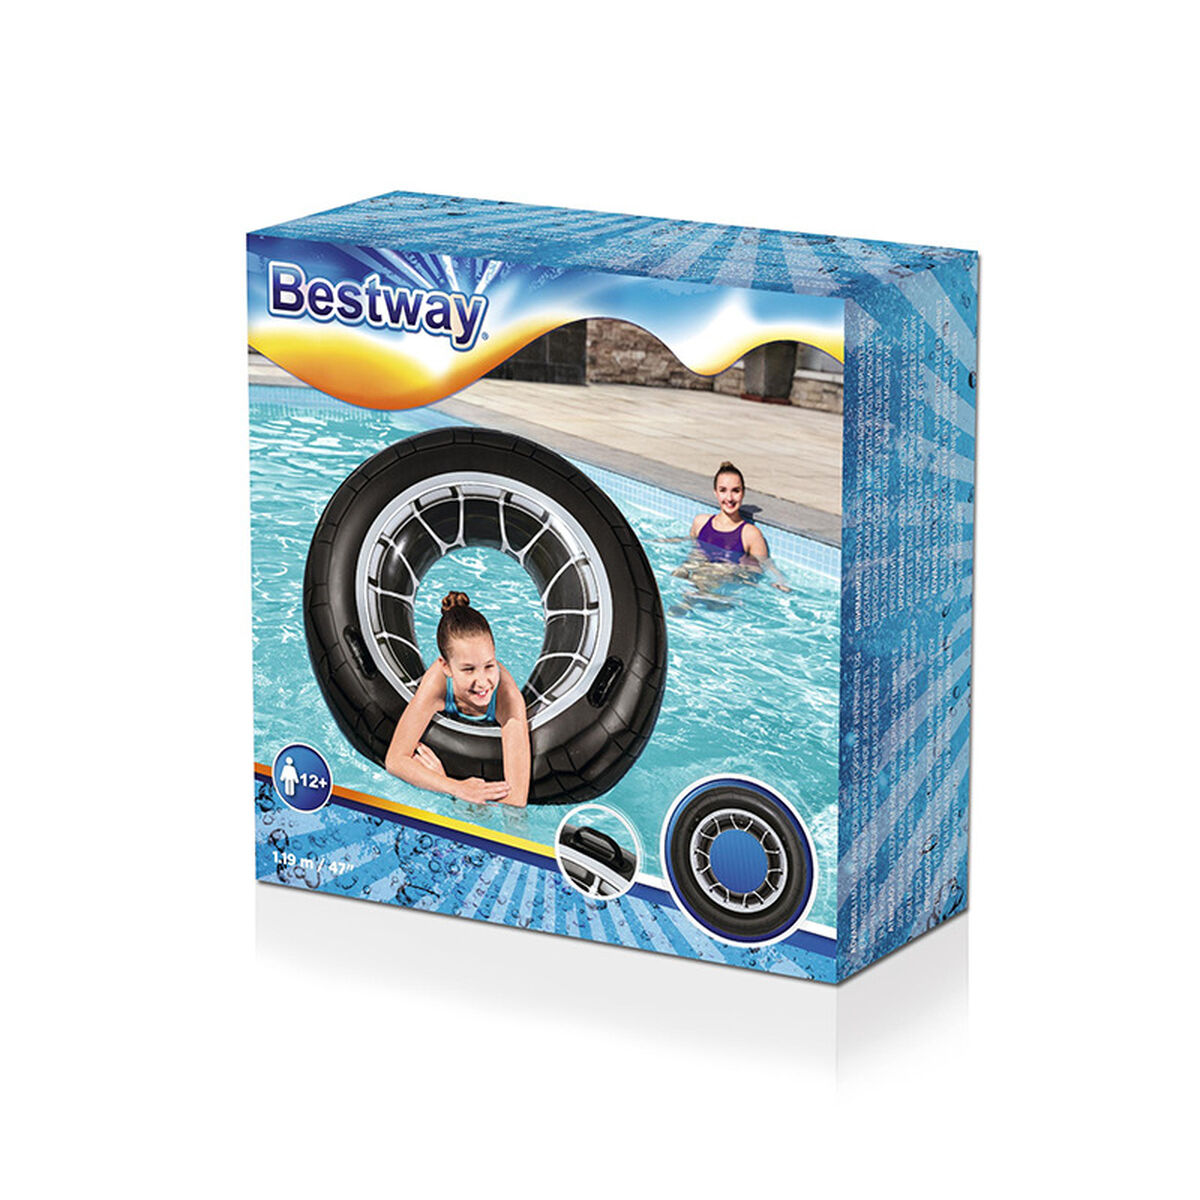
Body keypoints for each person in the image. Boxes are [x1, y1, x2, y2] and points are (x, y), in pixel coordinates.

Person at [384, 591, 530, 807]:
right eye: (469, 669)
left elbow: (516, 800)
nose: (482, 682)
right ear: (446, 667)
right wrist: (454, 787)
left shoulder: (507, 697)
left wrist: (447, 785)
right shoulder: (437, 683)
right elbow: (395, 760)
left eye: (489, 665)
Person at [679, 461, 790, 591]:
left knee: (708, 577)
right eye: (723, 490)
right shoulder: (700, 522)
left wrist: (781, 581)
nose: (729, 498)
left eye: (735, 491)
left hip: (720, 586)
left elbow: (765, 566)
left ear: (743, 493)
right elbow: (690, 546)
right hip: (694, 574)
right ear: (715, 492)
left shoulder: (750, 534)